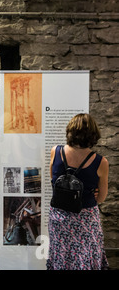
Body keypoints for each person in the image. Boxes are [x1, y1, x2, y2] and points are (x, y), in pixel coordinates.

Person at [47, 113, 109, 270]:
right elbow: (101, 197)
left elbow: (54, 182)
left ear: (70, 131)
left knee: (61, 256)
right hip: (86, 219)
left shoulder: (56, 151)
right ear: (93, 134)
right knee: (85, 257)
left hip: (59, 217)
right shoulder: (100, 162)